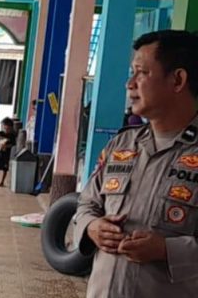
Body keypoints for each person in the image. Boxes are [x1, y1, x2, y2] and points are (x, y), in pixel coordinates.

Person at [74, 30, 198, 298]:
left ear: (177, 80)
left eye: (141, 73)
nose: (129, 84)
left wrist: (167, 250)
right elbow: (87, 204)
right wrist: (92, 227)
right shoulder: (122, 145)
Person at [0, 118, 15, 187]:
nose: (6, 128)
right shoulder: (0, 133)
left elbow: (13, 144)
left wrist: (6, 146)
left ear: (11, 127)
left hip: (6, 154)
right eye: (5, 126)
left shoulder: (12, 136)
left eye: (8, 127)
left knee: (5, 168)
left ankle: (2, 181)